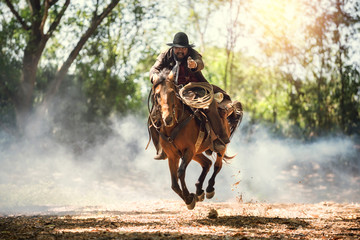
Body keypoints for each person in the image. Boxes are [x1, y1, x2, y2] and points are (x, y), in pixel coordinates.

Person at [149, 32, 230, 160]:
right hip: (170, 91)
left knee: (210, 105)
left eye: (183, 48)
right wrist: (154, 76)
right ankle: (161, 148)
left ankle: (219, 139)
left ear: (187, 48)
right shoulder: (165, 55)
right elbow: (154, 69)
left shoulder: (192, 54)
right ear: (173, 48)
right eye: (178, 48)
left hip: (192, 88)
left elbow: (200, 62)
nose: (180, 51)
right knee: (153, 116)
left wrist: (195, 65)